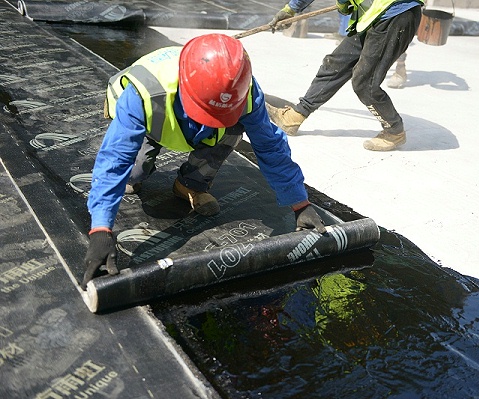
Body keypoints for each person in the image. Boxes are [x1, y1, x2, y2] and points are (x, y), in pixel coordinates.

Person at [82, 34, 327, 288]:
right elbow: (115, 158)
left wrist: (300, 203)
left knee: (234, 127)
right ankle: (140, 170)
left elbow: (270, 146)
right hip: (150, 121)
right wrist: (101, 229)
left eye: (220, 113)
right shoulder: (143, 93)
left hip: (180, 116)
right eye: (207, 113)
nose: (210, 121)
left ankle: (191, 183)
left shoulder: (242, 91)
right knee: (131, 175)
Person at [267, 0, 423, 151]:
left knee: (365, 83)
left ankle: (394, 131)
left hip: (395, 14)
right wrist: (291, 9)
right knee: (335, 64)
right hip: (373, 15)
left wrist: (341, 3)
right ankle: (295, 117)